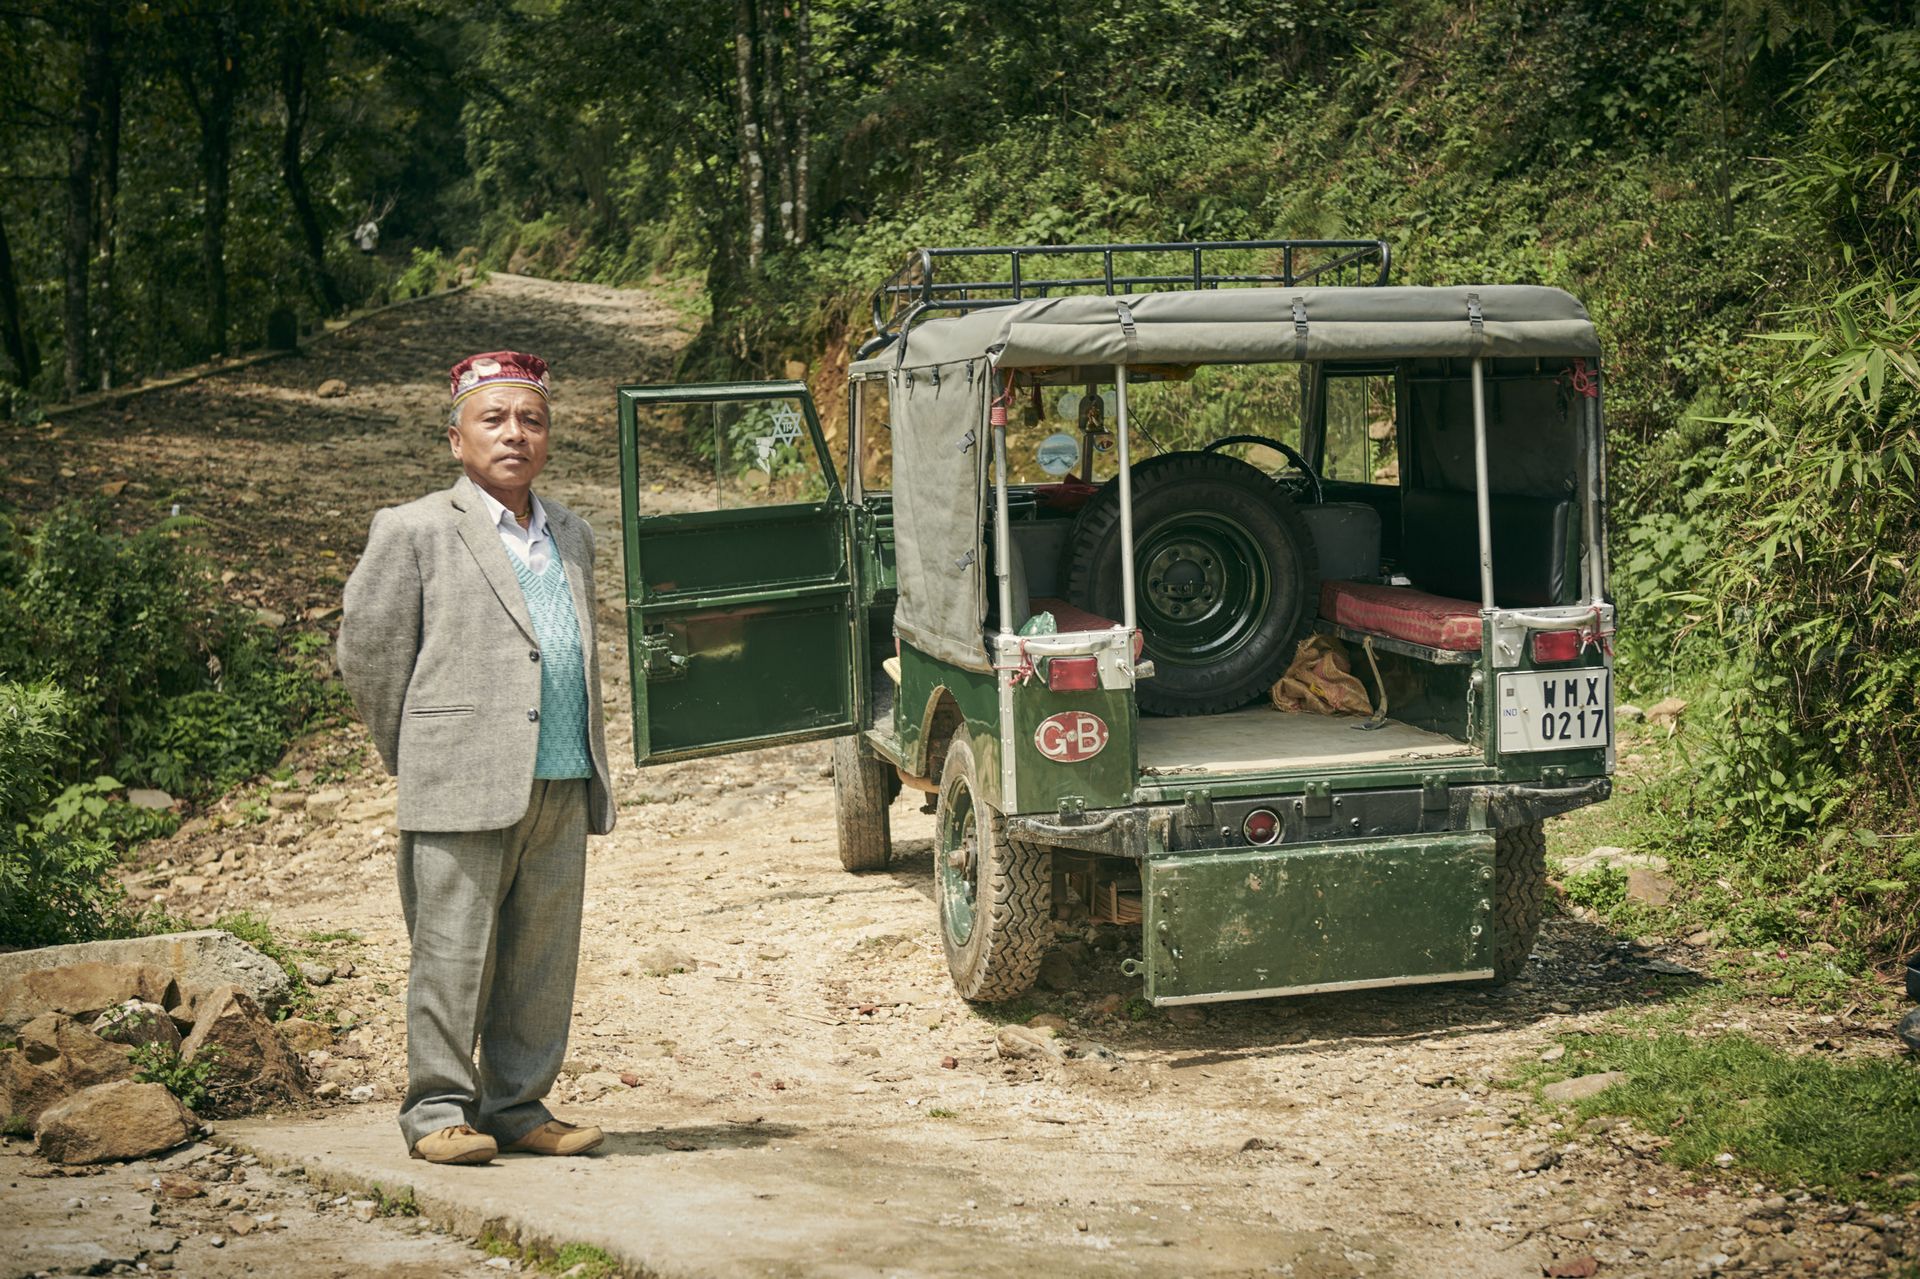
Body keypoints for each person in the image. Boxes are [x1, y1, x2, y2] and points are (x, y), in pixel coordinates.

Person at [338, 350, 616, 1165]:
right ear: (455, 438)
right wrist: (419, 749)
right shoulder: (416, 527)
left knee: (540, 959)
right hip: (458, 776)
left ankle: (518, 1105)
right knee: (452, 953)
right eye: (493, 418)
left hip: (562, 775)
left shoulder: (571, 531)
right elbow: (369, 653)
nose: (514, 434)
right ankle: (436, 1113)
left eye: (531, 419)